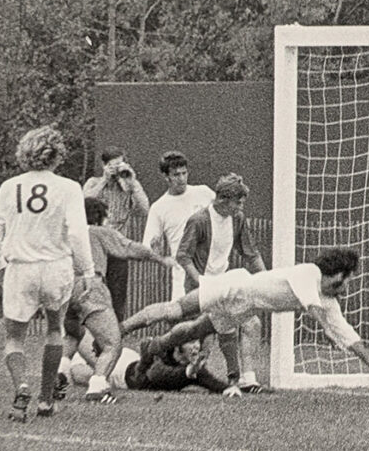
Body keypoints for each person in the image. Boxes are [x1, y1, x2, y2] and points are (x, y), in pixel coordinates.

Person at [121, 247, 369, 395]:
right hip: (233, 286)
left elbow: (346, 333)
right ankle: (123, 328)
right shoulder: (311, 273)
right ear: (338, 273)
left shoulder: (328, 301)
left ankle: (153, 346)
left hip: (245, 309)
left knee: (194, 329)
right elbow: (312, 307)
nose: (349, 284)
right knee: (175, 310)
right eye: (349, 277)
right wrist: (326, 331)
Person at [0, 125, 96, 422]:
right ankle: (46, 400)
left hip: (21, 268)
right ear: (57, 155)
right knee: (54, 330)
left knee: (14, 338)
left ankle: (21, 388)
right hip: (56, 267)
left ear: (25, 154)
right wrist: (88, 271)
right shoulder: (70, 187)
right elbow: (77, 234)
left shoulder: (11, 187)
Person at [59, 197, 177, 403]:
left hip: (64, 289)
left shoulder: (66, 234)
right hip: (90, 287)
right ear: (100, 216)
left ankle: (60, 370)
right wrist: (161, 259)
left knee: (73, 334)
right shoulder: (98, 232)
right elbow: (130, 248)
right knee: (112, 344)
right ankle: (97, 386)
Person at [175, 172, 267, 391]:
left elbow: (250, 253)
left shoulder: (238, 219)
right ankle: (182, 367)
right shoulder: (199, 220)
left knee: (250, 323)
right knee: (201, 338)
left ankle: (245, 378)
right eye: (239, 202)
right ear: (223, 200)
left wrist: (266, 279)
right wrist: (201, 282)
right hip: (200, 287)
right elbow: (183, 256)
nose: (241, 207)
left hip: (224, 284)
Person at [82, 146, 150, 320]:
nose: (116, 170)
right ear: (104, 165)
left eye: (120, 165)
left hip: (117, 248)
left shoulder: (128, 186)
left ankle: (116, 332)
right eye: (112, 166)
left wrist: (132, 182)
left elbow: (144, 209)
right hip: (95, 248)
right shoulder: (93, 182)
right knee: (92, 294)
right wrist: (104, 179)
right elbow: (83, 203)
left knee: (117, 296)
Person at [142, 151, 216, 299]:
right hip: (183, 276)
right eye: (176, 175)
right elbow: (148, 247)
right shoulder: (159, 207)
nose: (182, 178)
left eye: (184, 173)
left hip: (213, 271)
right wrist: (162, 259)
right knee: (184, 319)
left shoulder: (204, 193)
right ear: (166, 177)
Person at [69, 337, 231, 394]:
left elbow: (210, 381)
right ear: (178, 347)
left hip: (127, 362)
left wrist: (228, 388)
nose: (196, 346)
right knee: (79, 374)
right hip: (122, 372)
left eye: (197, 341)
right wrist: (188, 373)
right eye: (190, 342)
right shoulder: (162, 353)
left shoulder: (195, 368)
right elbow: (155, 374)